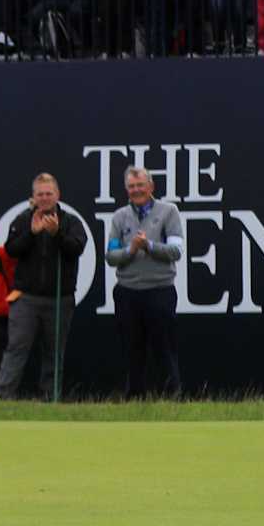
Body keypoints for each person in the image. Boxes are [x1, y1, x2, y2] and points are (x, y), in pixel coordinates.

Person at [0, 171, 87, 400]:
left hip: (59, 299)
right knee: (16, 347)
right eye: (40, 194)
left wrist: (57, 234)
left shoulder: (70, 221)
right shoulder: (23, 219)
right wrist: (31, 234)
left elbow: (76, 248)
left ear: (57, 195)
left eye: (49, 193)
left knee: (54, 353)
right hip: (26, 298)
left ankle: (49, 398)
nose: (44, 198)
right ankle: (1, 395)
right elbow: (11, 250)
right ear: (33, 197)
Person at [104, 165, 183, 398]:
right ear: (126, 189)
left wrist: (148, 246)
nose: (136, 190)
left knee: (164, 349)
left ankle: (171, 397)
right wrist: (132, 249)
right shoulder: (120, 217)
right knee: (132, 350)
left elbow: (176, 250)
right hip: (127, 292)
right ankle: (134, 400)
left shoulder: (169, 212)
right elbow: (111, 256)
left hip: (160, 291)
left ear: (151, 187)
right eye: (131, 186)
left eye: (140, 185)